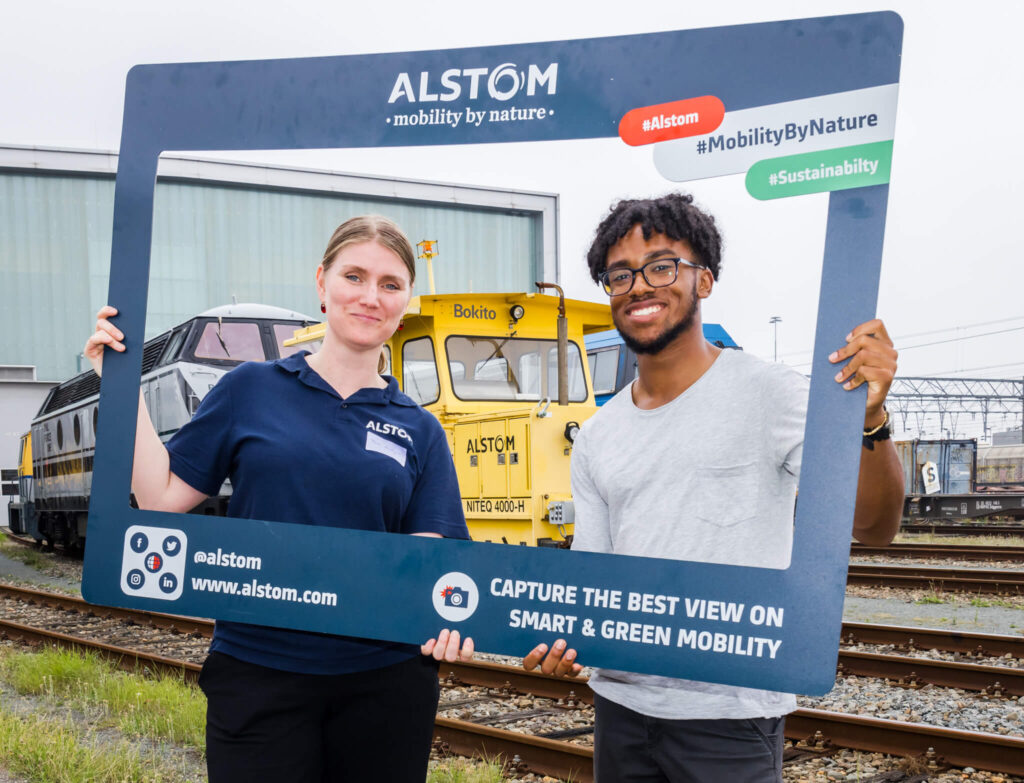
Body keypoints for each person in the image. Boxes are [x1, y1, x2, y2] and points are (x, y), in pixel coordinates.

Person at [523, 193, 905, 782]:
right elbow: (593, 574)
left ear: (704, 279)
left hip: (730, 717)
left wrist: (871, 422)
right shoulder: (598, 435)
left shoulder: (773, 395)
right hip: (619, 711)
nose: (639, 286)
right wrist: (561, 637)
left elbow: (873, 527)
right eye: (619, 275)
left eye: (661, 266)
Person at [85, 215, 474, 783]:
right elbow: (160, 499)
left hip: (384, 686)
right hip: (258, 676)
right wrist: (115, 384)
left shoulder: (420, 430)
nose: (371, 297)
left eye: (390, 284)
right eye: (355, 276)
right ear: (322, 283)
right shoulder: (250, 388)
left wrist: (445, 619)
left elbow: (430, 562)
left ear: (406, 300)